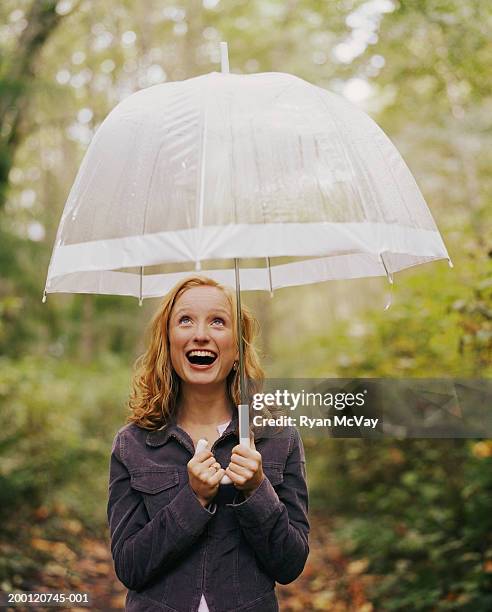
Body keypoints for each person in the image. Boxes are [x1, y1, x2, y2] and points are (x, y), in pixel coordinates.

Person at [107, 275, 309, 612]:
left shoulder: (279, 438)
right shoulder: (132, 444)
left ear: (238, 345)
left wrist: (257, 491)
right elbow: (130, 567)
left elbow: (289, 565)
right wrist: (194, 499)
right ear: (167, 341)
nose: (201, 334)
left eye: (218, 321)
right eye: (185, 320)